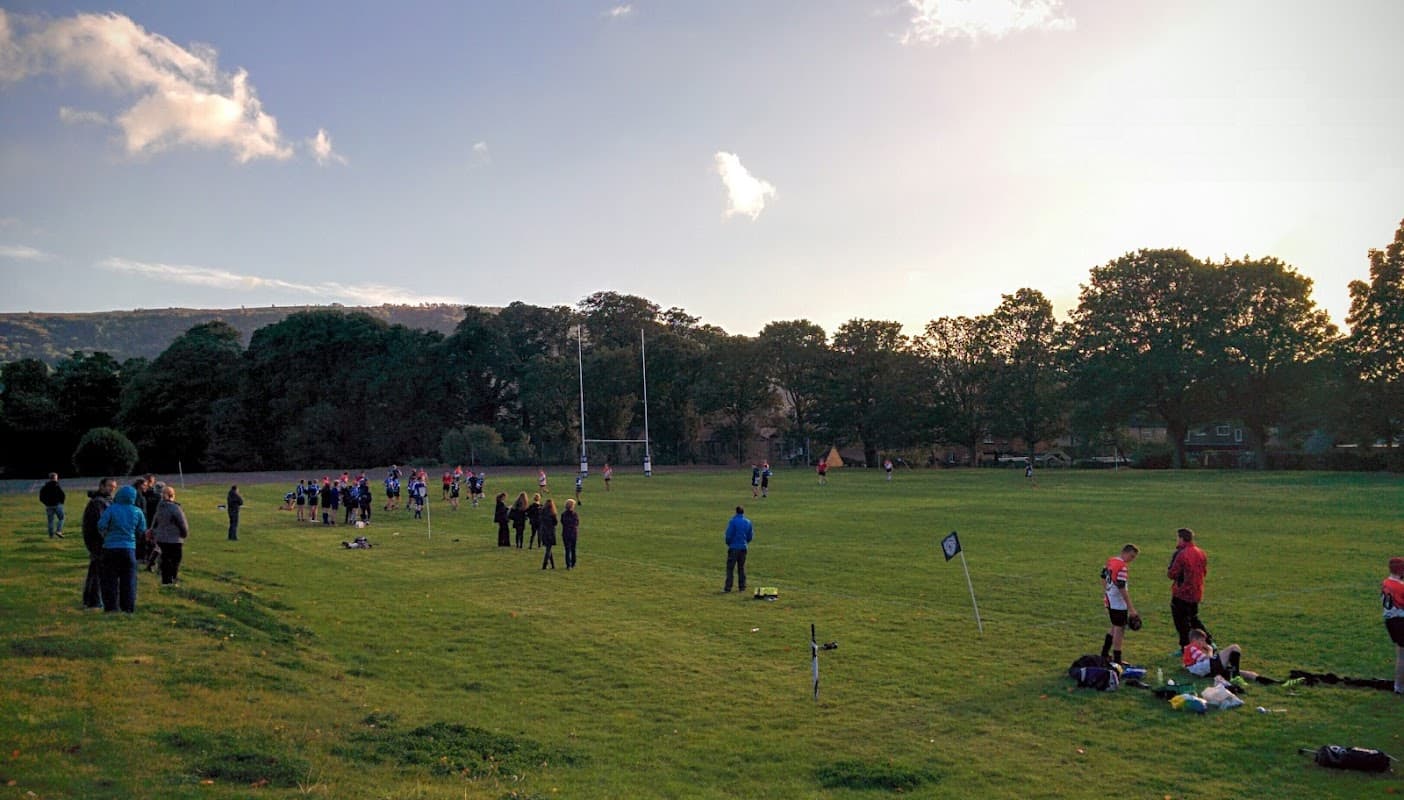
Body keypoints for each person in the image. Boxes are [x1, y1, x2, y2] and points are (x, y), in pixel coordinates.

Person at [98, 485, 147, 613]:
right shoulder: (137, 511)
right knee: (129, 579)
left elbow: (101, 525)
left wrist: (106, 534)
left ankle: (111, 607)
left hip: (110, 548)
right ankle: (128, 607)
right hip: (129, 548)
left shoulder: (111, 509)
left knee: (110, 579)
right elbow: (142, 530)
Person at [1167, 527, 1210, 649]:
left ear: (1181, 539)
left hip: (1182, 592)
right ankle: (1208, 642)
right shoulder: (1201, 552)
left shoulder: (1181, 554)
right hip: (1196, 591)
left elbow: (1173, 573)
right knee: (1193, 619)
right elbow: (1204, 571)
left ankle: (1185, 647)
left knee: (1181, 622)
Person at [1100, 543, 1140, 666]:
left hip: (1109, 598)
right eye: (1131, 556)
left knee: (1113, 626)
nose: (1132, 559)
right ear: (1125, 552)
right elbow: (1122, 588)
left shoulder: (1111, 561)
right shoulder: (1122, 566)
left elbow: (1102, 576)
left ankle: (1105, 654)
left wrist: (1106, 591)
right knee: (1119, 628)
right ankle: (1117, 658)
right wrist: (1131, 608)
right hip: (1118, 603)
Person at [80, 477, 116, 609]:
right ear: (101, 486)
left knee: (95, 571)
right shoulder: (98, 503)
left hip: (99, 542)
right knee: (98, 573)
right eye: (109, 486)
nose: (112, 489)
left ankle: (89, 599)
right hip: (98, 542)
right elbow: (101, 526)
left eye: (114, 487)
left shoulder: (104, 501)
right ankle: (94, 601)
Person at [150, 485, 190, 585]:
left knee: (165, 559)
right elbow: (181, 522)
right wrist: (184, 534)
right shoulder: (175, 508)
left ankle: (165, 580)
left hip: (161, 538)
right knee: (175, 559)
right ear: (172, 495)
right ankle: (173, 578)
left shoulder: (160, 507)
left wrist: (153, 532)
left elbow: (155, 522)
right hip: (174, 539)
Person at [1182, 628, 1257, 681]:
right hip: (1207, 668)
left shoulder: (1192, 649)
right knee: (1234, 647)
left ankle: (1260, 679)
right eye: (1202, 640)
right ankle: (1235, 676)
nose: (1204, 643)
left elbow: (1187, 664)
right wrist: (1210, 649)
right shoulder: (1192, 647)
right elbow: (1208, 658)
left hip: (1208, 671)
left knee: (1247, 673)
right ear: (1194, 640)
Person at [1383, 557, 1404, 696]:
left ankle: (1399, 685)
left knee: (1401, 655)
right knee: (1403, 657)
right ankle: (1399, 687)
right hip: (1401, 622)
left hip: (1390, 621)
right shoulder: (1400, 587)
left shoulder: (1386, 582)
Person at [723, 505, 754, 593]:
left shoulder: (733, 521)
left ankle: (728, 587)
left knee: (730, 568)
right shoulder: (748, 522)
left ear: (736, 512)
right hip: (743, 547)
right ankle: (742, 587)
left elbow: (728, 535)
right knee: (741, 568)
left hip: (734, 547)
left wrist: (729, 543)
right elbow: (750, 536)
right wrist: (745, 542)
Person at [39, 472, 66, 539]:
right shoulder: (57, 485)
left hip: (48, 506)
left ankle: (51, 536)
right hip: (57, 505)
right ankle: (59, 531)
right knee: (61, 518)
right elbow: (62, 495)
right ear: (55, 478)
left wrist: (46, 503)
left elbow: (41, 497)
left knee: (50, 521)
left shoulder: (45, 487)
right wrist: (61, 502)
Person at [538, 499, 558, 569]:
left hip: (543, 531)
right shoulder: (552, 514)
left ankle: (553, 565)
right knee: (548, 549)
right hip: (550, 531)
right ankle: (544, 564)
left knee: (548, 548)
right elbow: (555, 523)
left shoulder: (542, 512)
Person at [561, 498, 580, 569]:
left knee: (567, 549)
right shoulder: (574, 514)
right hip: (573, 533)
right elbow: (576, 523)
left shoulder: (563, 514)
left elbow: (563, 522)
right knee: (573, 549)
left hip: (566, 533)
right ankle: (573, 563)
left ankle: (568, 564)